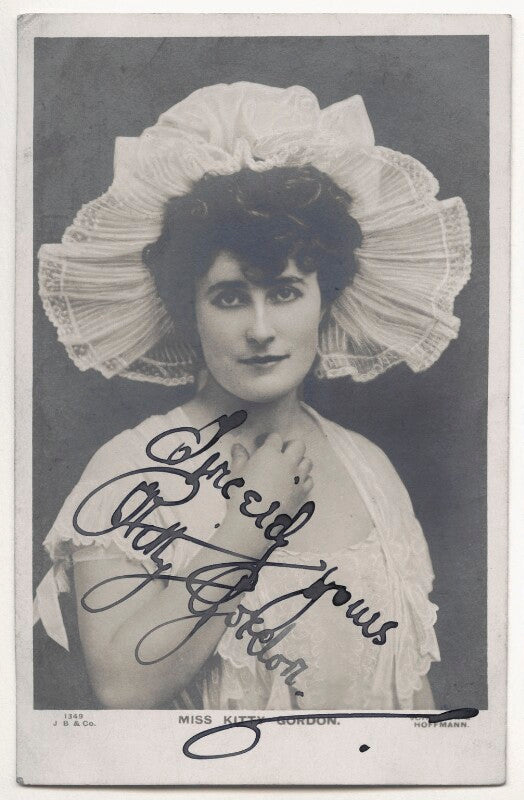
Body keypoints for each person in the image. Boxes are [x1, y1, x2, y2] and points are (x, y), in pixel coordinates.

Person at [33, 82, 471, 711]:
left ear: (324, 301)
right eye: (230, 297)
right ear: (190, 312)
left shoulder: (369, 467)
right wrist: (249, 524)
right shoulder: (130, 469)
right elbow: (123, 690)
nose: (261, 329)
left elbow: (413, 692)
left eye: (286, 293)